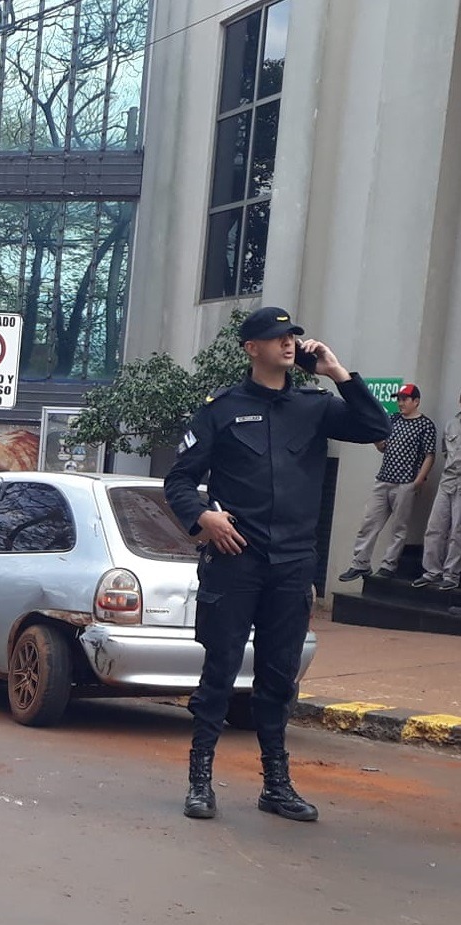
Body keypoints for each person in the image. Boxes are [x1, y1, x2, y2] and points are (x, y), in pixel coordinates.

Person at [164, 307, 391, 822]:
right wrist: (204, 517)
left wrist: (338, 373)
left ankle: (276, 785)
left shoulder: (315, 405)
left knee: (279, 678)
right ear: (252, 348)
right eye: (276, 337)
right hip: (235, 559)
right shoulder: (220, 409)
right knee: (219, 672)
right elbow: (178, 480)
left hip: (292, 564)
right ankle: (200, 781)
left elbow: (376, 426)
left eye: (292, 336)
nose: (289, 344)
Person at [336, 383, 437, 582]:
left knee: (399, 527)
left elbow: (429, 455)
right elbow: (383, 447)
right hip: (383, 479)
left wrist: (418, 480)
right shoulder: (392, 420)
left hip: (405, 482)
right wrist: (375, 438)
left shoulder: (425, 425)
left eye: (404, 399)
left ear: (416, 401)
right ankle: (360, 564)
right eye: (398, 399)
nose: (400, 403)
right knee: (369, 522)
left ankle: (388, 565)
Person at [414, 389, 461, 592]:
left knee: (457, 531)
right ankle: (432, 572)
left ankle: (451, 575)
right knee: (435, 526)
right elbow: (445, 451)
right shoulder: (451, 424)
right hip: (447, 479)